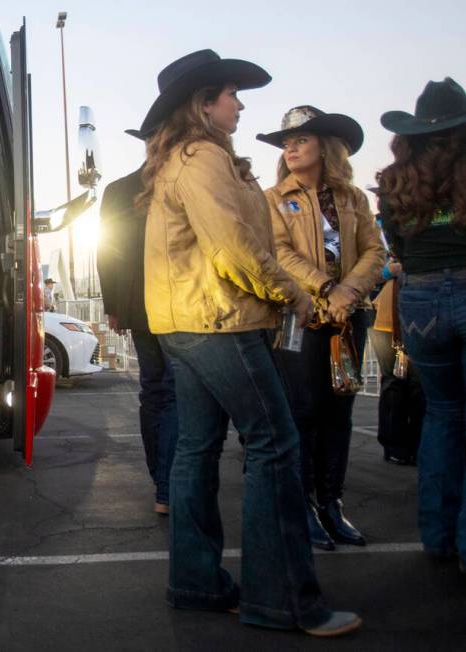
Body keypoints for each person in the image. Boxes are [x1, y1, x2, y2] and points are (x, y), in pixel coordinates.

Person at [139, 49, 360, 635]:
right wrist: (296, 296)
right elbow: (234, 250)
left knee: (196, 449)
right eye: (232, 94)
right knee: (276, 447)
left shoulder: (188, 159)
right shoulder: (203, 158)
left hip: (186, 322)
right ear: (204, 103)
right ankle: (283, 599)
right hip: (221, 322)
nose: (240, 103)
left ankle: (196, 583)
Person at [257, 106, 384, 550]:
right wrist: (326, 287)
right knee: (302, 412)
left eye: (300, 141)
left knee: (340, 412)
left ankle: (332, 504)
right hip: (300, 316)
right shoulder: (273, 199)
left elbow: (375, 251)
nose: (290, 149)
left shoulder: (353, 198)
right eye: (287, 143)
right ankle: (304, 507)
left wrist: (349, 292)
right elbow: (278, 253)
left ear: (325, 147)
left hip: (350, 317)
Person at [376, 77, 466, 573]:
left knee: (443, 415)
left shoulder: (394, 183)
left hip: (421, 297)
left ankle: (437, 536)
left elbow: (401, 253)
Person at [97, 150, 178, 515]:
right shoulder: (181, 182)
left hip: (140, 306)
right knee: (174, 393)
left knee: (155, 391)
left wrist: (114, 305)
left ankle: (162, 484)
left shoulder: (118, 188)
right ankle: (169, 484)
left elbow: (106, 252)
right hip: (179, 303)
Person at [369, 255, 424, 465]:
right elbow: (365, 275)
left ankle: (417, 445)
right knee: (393, 382)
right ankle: (394, 445)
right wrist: (386, 272)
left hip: (419, 317)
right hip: (386, 320)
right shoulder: (381, 239)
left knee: (418, 386)